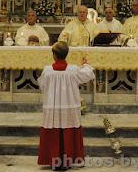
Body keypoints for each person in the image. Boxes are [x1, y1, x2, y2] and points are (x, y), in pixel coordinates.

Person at [37, 41, 95, 170]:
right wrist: (86, 63)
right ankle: (67, 161)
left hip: (53, 106)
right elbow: (88, 74)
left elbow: (42, 86)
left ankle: (54, 160)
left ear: (54, 55)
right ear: (66, 54)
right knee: (68, 131)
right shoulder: (73, 70)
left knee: (54, 131)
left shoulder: (47, 71)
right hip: (69, 106)